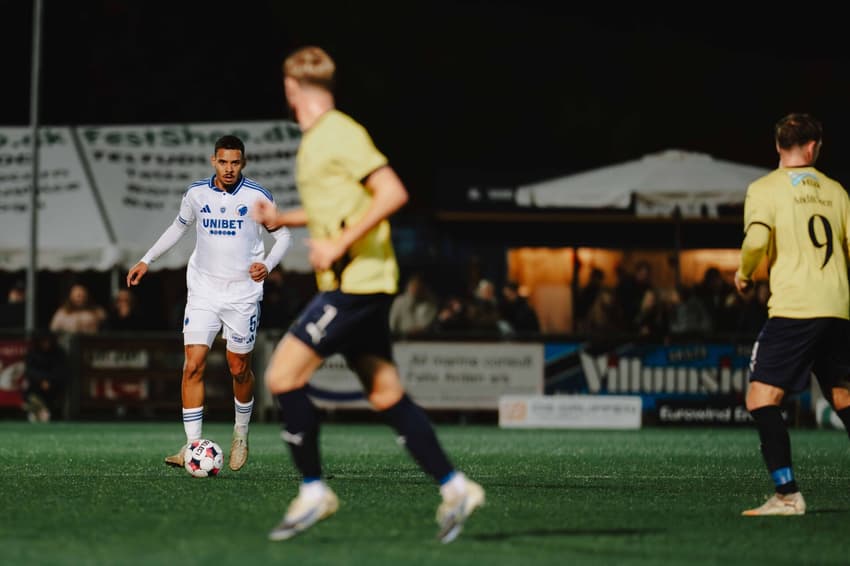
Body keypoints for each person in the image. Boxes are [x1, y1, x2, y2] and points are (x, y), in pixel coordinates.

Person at [251, 45, 484, 544]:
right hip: (355, 284)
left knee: (282, 376)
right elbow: (335, 207)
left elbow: (393, 192)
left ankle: (314, 491)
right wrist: (282, 219)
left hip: (358, 283)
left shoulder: (339, 132)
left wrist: (338, 244)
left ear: (291, 88)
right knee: (385, 394)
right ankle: (456, 487)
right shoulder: (317, 140)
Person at [126, 134, 292, 472]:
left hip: (242, 295)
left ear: (243, 163)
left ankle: (241, 433)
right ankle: (192, 446)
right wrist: (147, 259)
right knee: (193, 365)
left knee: (238, 368)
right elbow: (178, 228)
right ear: (213, 161)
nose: (229, 168)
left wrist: (267, 265)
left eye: (235, 162)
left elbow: (284, 235)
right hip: (203, 291)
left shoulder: (257, 196)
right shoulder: (196, 194)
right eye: (223, 162)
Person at [735, 112, 850, 516]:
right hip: (837, 308)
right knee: (843, 396)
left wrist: (744, 273)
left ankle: (787, 495)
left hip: (796, 308)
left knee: (760, 398)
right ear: (814, 147)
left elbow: (756, 241)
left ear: (777, 145)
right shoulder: (836, 191)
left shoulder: (765, 188)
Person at [21, 331, 67, 423]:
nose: (45, 344)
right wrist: (41, 380)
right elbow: (30, 371)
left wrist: (49, 381)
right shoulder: (32, 353)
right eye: (43, 341)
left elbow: (60, 371)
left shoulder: (59, 353)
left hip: (53, 385)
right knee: (27, 388)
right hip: (35, 385)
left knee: (59, 388)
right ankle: (35, 410)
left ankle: (51, 413)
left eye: (47, 341)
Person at [389, 272, 439, 337]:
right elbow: (392, 324)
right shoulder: (399, 301)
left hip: (423, 339)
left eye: (418, 286)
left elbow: (426, 326)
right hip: (401, 338)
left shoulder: (430, 303)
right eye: (413, 285)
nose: (415, 288)